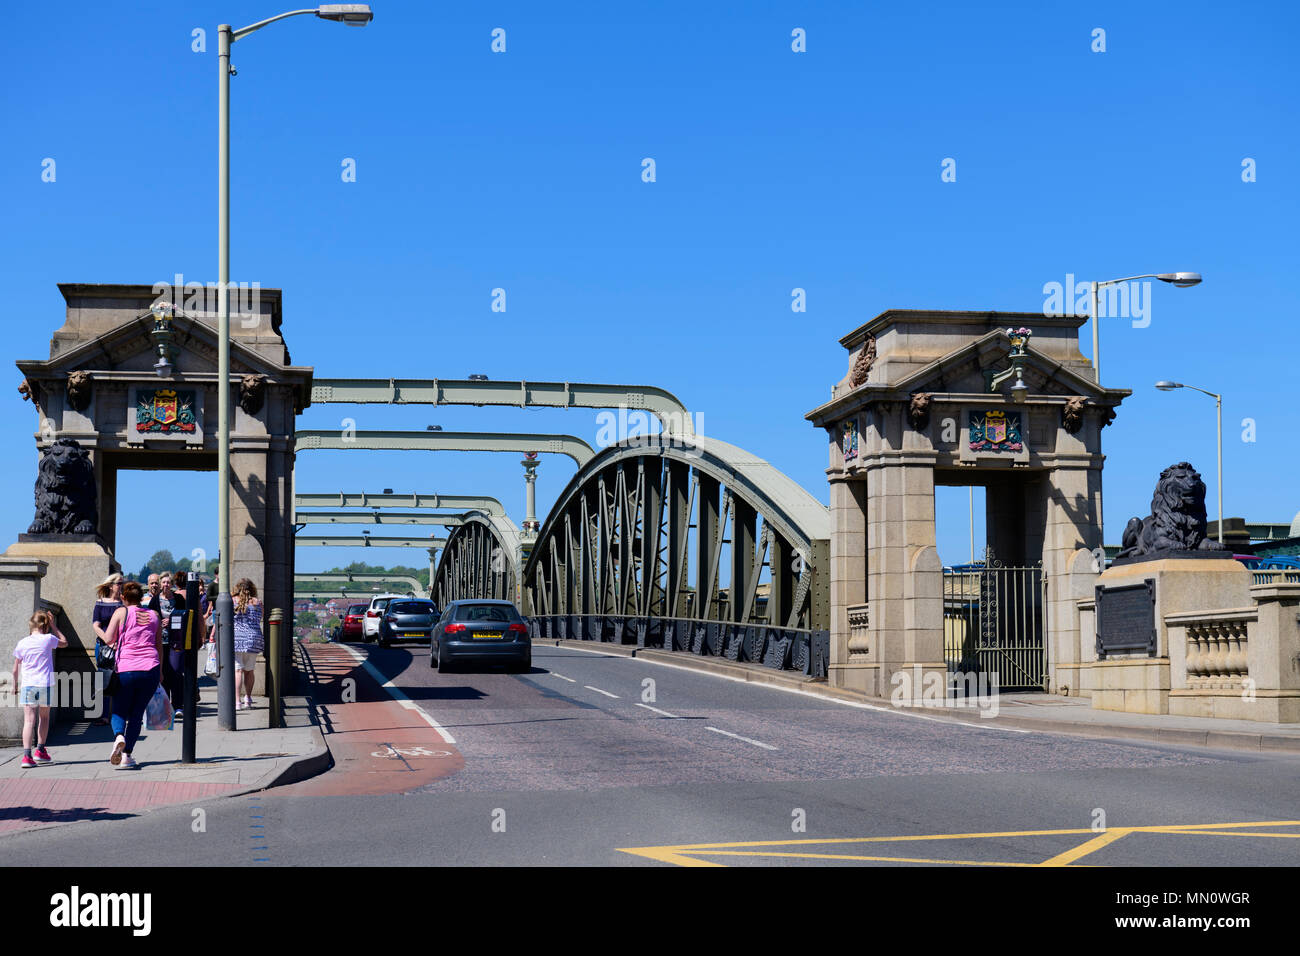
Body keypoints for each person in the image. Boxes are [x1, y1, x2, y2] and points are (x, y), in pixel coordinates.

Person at [101, 580, 162, 770]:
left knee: (118, 709)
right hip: (150, 668)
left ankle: (119, 736)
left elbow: (109, 638)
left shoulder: (121, 612)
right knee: (136, 714)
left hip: (126, 668)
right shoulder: (154, 615)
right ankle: (127, 756)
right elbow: (159, 645)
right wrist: (161, 673)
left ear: (124, 597)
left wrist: (97, 628)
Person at [11, 610, 67, 769]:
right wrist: (54, 626)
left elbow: (15, 668)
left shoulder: (22, 642)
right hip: (45, 684)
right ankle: (40, 751)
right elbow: (64, 642)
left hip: (28, 684)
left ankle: (27, 756)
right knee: (44, 718)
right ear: (45, 625)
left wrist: (14, 685)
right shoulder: (48, 639)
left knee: (29, 721)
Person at [149, 571, 187, 718]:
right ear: (160, 584)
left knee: (176, 671)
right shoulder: (155, 601)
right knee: (162, 673)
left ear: (172, 584)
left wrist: (172, 620)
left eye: (168, 582)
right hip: (160, 641)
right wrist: (159, 622)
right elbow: (150, 620)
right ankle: (165, 706)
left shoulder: (178, 599)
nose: (166, 585)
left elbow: (185, 616)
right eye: (163, 582)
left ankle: (178, 705)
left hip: (176, 641)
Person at [91, 572, 124, 726]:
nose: (121, 586)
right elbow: (95, 625)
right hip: (103, 646)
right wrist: (108, 640)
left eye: (122, 583)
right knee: (103, 680)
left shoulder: (123, 604)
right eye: (119, 583)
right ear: (111, 586)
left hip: (120, 646)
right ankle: (103, 715)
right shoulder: (100, 603)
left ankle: (119, 714)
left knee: (119, 680)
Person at [232, 578, 263, 710]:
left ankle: (237, 701)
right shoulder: (258, 603)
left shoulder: (232, 601)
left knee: (238, 670)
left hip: (237, 639)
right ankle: (248, 698)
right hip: (254, 639)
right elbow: (259, 618)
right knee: (249, 670)